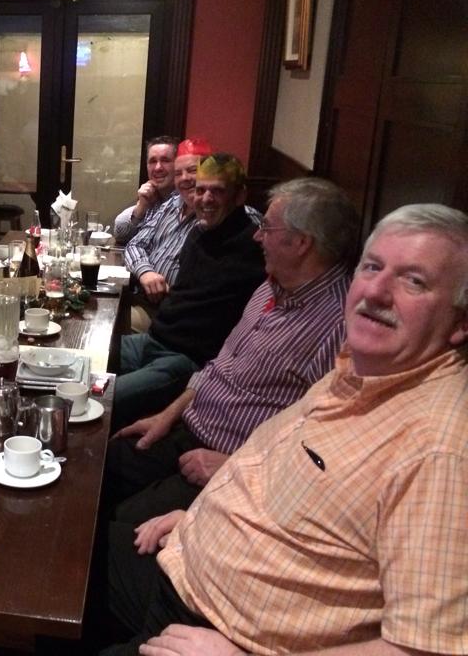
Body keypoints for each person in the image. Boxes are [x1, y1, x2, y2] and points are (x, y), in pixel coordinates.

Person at [104, 203, 468, 656]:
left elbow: (427, 648)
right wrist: (198, 521)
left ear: (461, 322)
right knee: (62, 548)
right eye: (372, 267)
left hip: (220, 631)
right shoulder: (355, 371)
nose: (376, 291)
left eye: (414, 281)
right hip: (188, 566)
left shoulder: (440, 449)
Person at [106, 178, 359, 522]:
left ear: (301, 243)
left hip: (227, 462)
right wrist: (166, 415)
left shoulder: (339, 326)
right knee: (93, 467)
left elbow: (327, 445)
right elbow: (218, 367)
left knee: (119, 531)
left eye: (267, 228)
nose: (257, 237)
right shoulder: (271, 286)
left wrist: (232, 465)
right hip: (186, 426)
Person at [112, 153, 265, 428]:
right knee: (78, 362)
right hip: (153, 340)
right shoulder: (198, 234)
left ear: (240, 195)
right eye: (200, 190)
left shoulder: (254, 247)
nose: (205, 199)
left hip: (185, 361)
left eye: (218, 191)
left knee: (101, 400)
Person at [123, 138, 216, 332]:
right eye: (179, 173)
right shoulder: (171, 204)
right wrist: (145, 271)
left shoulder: (216, 217)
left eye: (193, 170)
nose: (185, 178)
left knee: (101, 327)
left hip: (169, 315)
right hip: (139, 296)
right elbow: (134, 243)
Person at [113, 136, 179, 246]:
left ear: (179, 164)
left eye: (165, 160)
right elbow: (120, 234)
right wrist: (141, 207)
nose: (158, 168)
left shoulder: (185, 201)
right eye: (152, 161)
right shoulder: (151, 197)